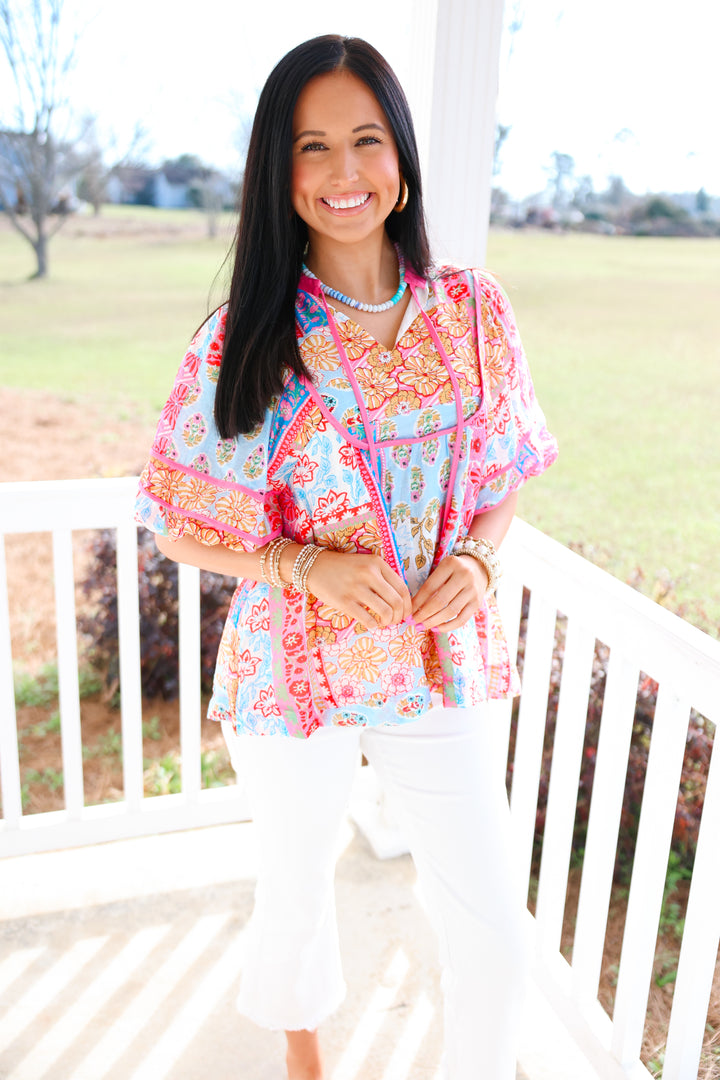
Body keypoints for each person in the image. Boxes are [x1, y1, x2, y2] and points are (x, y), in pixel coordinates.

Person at [135, 34, 557, 1080]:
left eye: (365, 141)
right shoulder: (246, 339)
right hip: (295, 672)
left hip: (432, 662)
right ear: (280, 176)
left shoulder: (471, 314)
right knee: (296, 885)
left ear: (401, 158)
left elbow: (506, 474)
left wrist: (484, 559)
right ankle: (305, 1060)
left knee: (494, 931)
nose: (342, 173)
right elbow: (174, 519)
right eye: (311, 147)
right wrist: (304, 568)